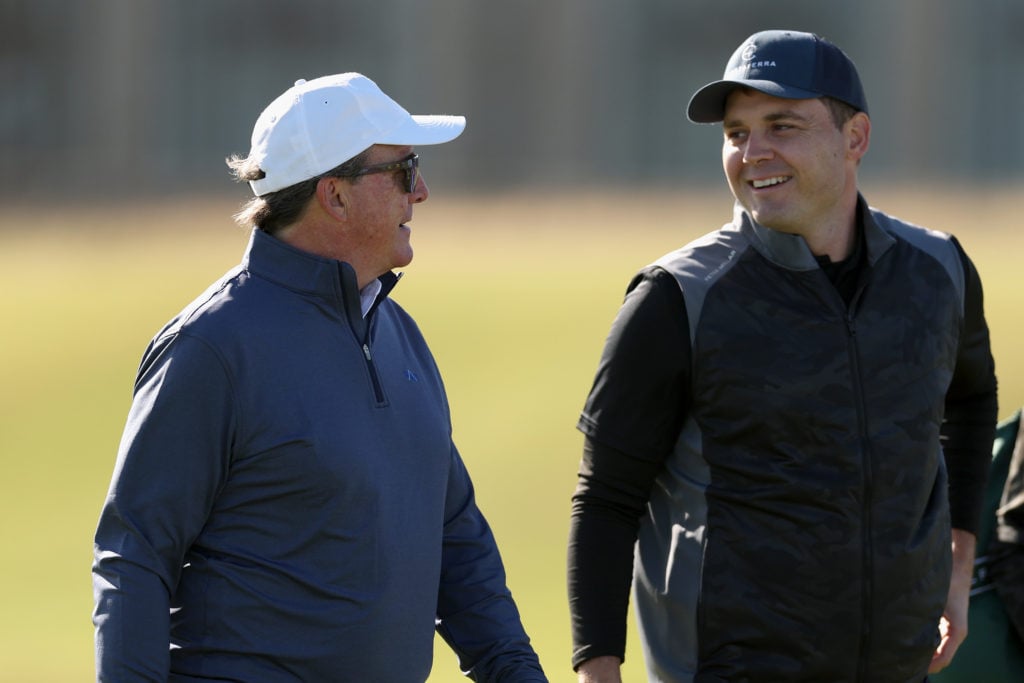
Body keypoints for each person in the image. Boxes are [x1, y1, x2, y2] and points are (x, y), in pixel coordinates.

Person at [567, 30, 998, 683]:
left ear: (855, 138)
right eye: (736, 132)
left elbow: (969, 403)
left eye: (782, 125)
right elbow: (605, 498)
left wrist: (958, 569)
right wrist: (598, 671)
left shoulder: (939, 271)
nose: (752, 152)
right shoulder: (677, 297)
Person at [93, 72, 547, 682]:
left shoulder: (399, 335)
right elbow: (135, 557)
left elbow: (456, 539)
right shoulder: (211, 347)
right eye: (405, 172)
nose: (424, 192)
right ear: (335, 195)